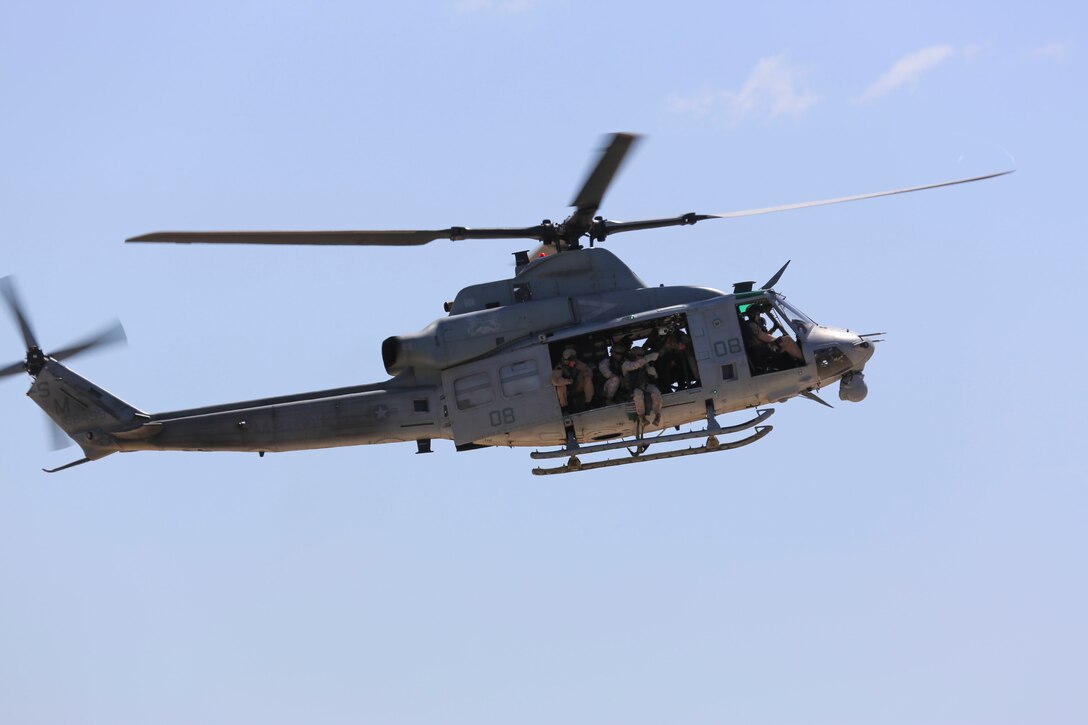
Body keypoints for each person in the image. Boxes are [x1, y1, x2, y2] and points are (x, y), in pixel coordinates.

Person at [622, 346, 662, 426]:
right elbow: (634, 366)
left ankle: (658, 415)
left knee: (656, 392)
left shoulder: (645, 364)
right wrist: (649, 358)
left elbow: (653, 376)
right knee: (638, 395)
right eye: (639, 355)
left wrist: (653, 373)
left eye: (642, 355)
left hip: (645, 385)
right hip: (633, 387)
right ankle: (642, 417)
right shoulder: (626, 364)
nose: (641, 357)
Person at [551, 347, 595, 412]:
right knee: (560, 387)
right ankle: (564, 407)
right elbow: (555, 381)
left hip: (578, 386)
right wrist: (567, 381)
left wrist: (584, 374)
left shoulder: (577, 363)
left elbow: (587, 370)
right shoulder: (559, 366)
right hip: (568, 390)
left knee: (588, 379)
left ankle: (588, 403)